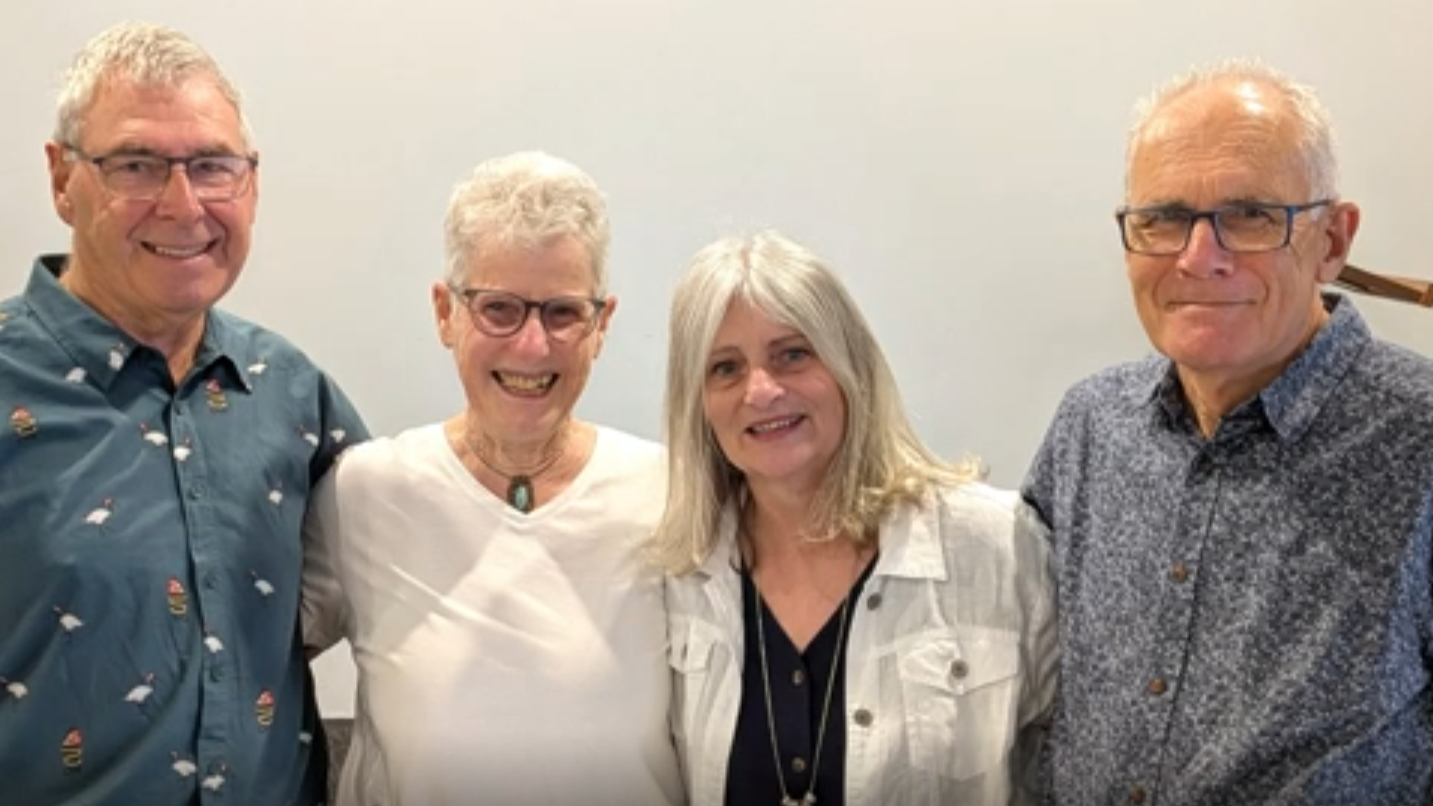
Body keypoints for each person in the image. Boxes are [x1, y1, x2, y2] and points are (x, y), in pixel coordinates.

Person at [1024, 59, 1433, 805]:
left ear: (1332, 241)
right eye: (1163, 218)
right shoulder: (1090, 426)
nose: (1196, 257)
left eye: (1248, 216)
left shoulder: (1421, 441)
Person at [0, 21, 367, 806]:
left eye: (211, 166)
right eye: (136, 164)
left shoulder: (289, 389)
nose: (182, 203)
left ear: (252, 184)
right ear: (62, 180)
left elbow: (413, 547)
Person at [301, 151, 683, 806]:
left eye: (562, 312)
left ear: (602, 324)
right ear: (445, 311)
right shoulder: (363, 493)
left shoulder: (673, 495)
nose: (531, 345)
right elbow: (240, 665)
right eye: (498, 309)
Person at [654, 230, 1057, 806]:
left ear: (851, 368)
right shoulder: (679, 576)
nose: (762, 390)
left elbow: (1075, 764)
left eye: (792, 354)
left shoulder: (996, 546)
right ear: (697, 403)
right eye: (725, 368)